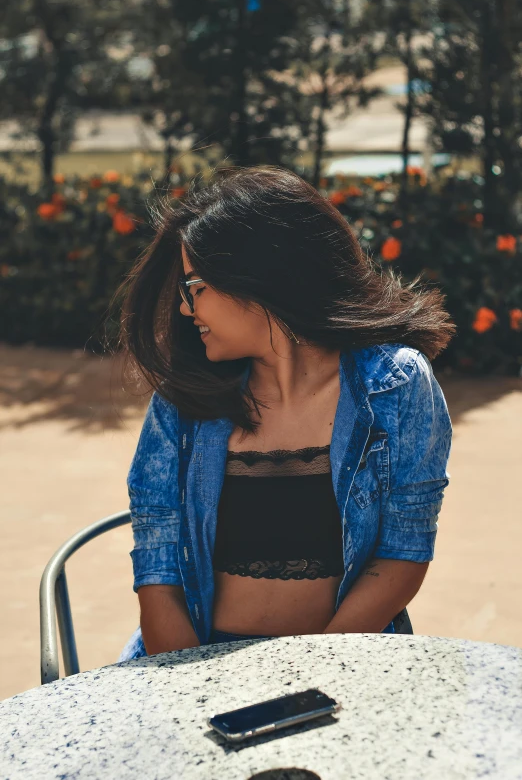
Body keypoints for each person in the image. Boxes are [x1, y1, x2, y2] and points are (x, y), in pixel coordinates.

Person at [116, 165, 455, 661]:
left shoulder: (395, 385)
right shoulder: (182, 400)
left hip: (346, 662)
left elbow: (403, 549)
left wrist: (316, 676)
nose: (187, 310)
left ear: (258, 280)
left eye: (197, 287)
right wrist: (191, 692)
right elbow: (158, 571)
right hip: (191, 665)